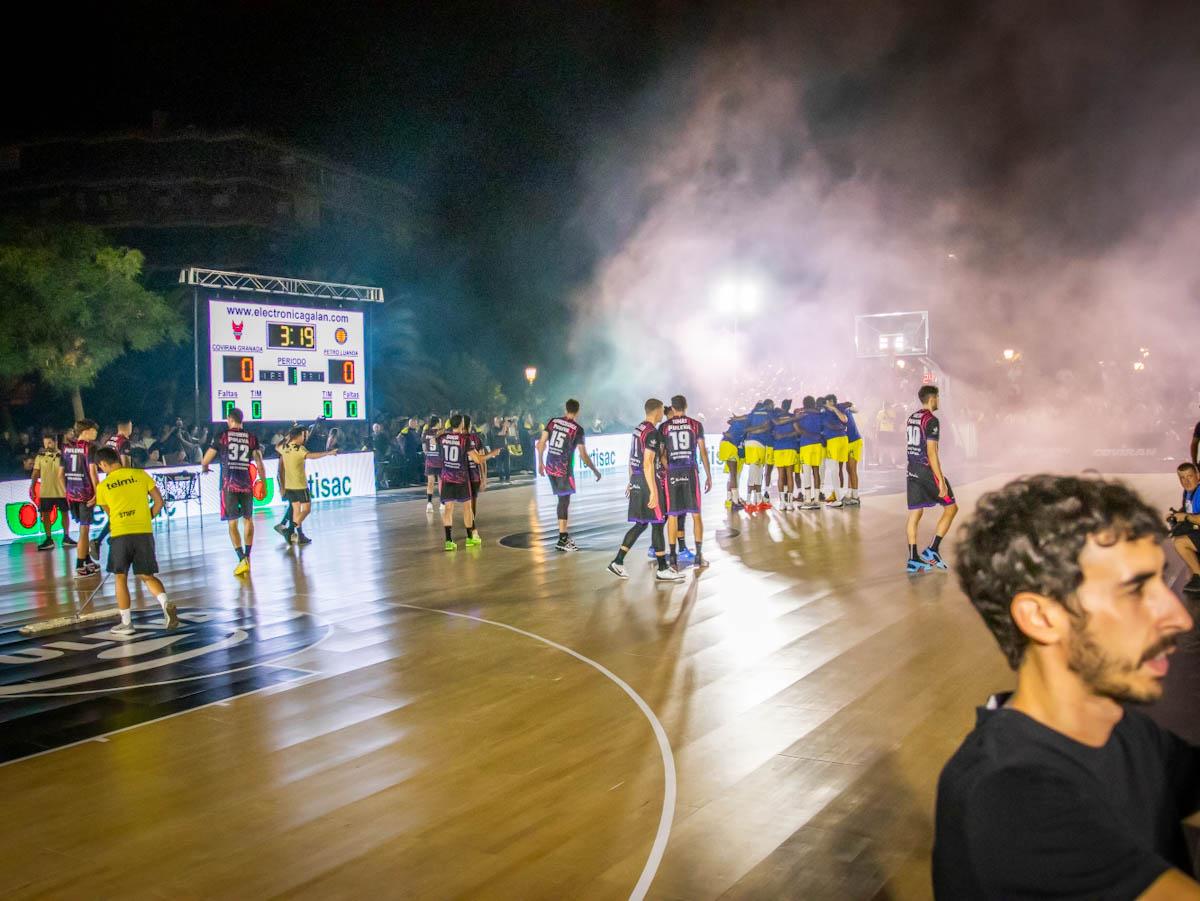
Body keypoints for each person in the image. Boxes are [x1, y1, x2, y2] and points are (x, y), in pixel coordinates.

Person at [934, 475, 1199, 899]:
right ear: (1041, 618)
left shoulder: (1125, 730)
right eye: (1135, 590)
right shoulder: (1011, 797)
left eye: (1161, 582)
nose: (1181, 618)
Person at [93, 446, 177, 635]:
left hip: (121, 534)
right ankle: (165, 603)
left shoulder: (103, 486)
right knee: (146, 575)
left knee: (120, 577)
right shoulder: (140, 475)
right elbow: (159, 502)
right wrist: (148, 517)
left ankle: (126, 623)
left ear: (103, 464)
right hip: (143, 532)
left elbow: (110, 515)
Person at [607, 398, 683, 581]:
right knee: (658, 522)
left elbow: (632, 458)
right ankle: (662, 568)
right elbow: (648, 463)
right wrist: (654, 491)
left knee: (641, 523)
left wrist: (630, 480)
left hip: (637, 479)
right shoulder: (652, 433)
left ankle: (618, 561)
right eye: (660, 411)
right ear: (657, 411)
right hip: (648, 481)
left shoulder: (638, 429)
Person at [201, 407, 265, 577]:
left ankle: (241, 558)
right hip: (246, 484)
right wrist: (263, 483)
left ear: (229, 419)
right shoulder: (251, 438)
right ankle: (248, 557)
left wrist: (205, 467)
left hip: (228, 485)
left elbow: (205, 459)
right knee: (248, 520)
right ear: (242, 420)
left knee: (232, 523)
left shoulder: (222, 437)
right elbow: (259, 463)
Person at [537, 399, 601, 552]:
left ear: (565, 409)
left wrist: (540, 462)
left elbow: (541, 442)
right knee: (564, 501)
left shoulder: (553, 422)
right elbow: (583, 454)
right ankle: (562, 538)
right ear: (578, 411)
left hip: (550, 465)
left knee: (562, 500)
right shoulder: (577, 429)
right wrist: (594, 470)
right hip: (563, 469)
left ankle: (563, 536)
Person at [905, 385, 957, 574]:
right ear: (932, 398)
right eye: (938, 398)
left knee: (915, 514)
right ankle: (932, 550)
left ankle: (913, 558)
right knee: (951, 508)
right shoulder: (932, 420)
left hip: (912, 470)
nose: (939, 401)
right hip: (927, 471)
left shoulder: (912, 417)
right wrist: (940, 479)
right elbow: (931, 452)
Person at [660, 395, 712, 568]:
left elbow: (661, 455)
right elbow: (703, 452)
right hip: (690, 472)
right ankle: (699, 556)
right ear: (686, 406)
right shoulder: (696, 425)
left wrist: (668, 469)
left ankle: (673, 557)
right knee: (696, 514)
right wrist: (709, 475)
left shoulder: (665, 426)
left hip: (673, 472)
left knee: (673, 515)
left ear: (672, 409)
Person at [278, 426, 338, 545]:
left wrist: (287, 436)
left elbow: (277, 446)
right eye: (304, 435)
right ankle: (290, 530)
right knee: (306, 510)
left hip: (289, 485)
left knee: (296, 511)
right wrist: (329, 453)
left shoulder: (284, 447)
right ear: (299, 435)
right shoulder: (300, 449)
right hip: (300, 485)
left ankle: (296, 534)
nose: (305, 437)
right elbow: (312, 456)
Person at [63, 419, 101, 578]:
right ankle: (80, 564)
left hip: (72, 494)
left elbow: (60, 474)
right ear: (86, 431)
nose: (96, 433)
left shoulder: (66, 448)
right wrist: (97, 492)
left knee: (82, 528)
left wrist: (67, 491)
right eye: (94, 430)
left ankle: (86, 559)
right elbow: (93, 472)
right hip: (86, 494)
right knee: (84, 530)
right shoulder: (89, 448)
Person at [439, 414, 482, 550]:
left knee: (448, 509)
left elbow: (435, 441)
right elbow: (476, 459)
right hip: (461, 478)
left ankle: (448, 541)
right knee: (467, 508)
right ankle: (470, 538)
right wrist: (489, 455)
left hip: (446, 477)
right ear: (462, 424)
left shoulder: (443, 437)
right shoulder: (465, 439)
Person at [93, 419, 133, 553]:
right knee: (120, 512)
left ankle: (110, 537)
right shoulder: (124, 442)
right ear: (128, 427)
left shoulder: (110, 439)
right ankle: (103, 539)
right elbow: (125, 463)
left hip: (109, 478)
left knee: (115, 512)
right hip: (120, 481)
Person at [30, 430, 72, 550]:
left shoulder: (63, 455)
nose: (47, 446)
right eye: (45, 443)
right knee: (46, 515)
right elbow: (35, 472)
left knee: (65, 513)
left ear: (55, 442)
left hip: (61, 491)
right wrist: (32, 486)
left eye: (49, 443)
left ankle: (66, 537)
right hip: (46, 491)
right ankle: (48, 539)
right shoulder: (40, 457)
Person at [1168, 462, 1200, 595]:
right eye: (1182, 478)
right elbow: (1188, 510)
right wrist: (1176, 515)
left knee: (1180, 542)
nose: (1186, 481)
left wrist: (1185, 517)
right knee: (1178, 537)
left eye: (1189, 476)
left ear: (1198, 476)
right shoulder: (1188, 493)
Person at [742, 400, 773, 512]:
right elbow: (767, 428)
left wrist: (756, 429)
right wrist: (761, 428)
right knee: (754, 474)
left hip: (750, 444)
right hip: (759, 444)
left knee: (757, 473)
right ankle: (749, 502)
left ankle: (759, 502)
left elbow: (745, 429)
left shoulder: (752, 413)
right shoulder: (769, 413)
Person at [770, 400, 801, 511]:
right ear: (789, 407)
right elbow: (798, 431)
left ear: (782, 406)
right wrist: (787, 435)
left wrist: (780, 436)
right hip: (790, 447)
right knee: (789, 475)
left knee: (781, 476)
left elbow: (772, 432)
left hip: (778, 448)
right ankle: (790, 503)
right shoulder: (792, 417)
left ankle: (782, 503)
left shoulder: (775, 417)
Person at [796, 396, 825, 510]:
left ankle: (808, 500)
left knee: (806, 472)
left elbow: (798, 430)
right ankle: (817, 499)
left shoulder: (802, 415)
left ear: (804, 404)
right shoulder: (819, 415)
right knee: (816, 471)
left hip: (806, 445)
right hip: (817, 445)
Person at [820, 394, 849, 507]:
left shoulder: (830, 410)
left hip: (835, 440)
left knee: (834, 469)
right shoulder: (828, 410)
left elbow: (844, 420)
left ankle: (838, 499)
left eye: (826, 402)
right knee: (837, 468)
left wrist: (834, 409)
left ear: (830, 401)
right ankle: (840, 495)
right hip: (842, 439)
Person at [718, 411, 749, 511]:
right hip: (730, 445)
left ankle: (729, 500)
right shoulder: (745, 425)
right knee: (733, 476)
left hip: (726, 445)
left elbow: (729, 421)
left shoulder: (739, 424)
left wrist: (735, 419)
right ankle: (735, 502)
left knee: (732, 476)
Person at [838, 398, 863, 505]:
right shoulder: (839, 410)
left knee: (852, 468)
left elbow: (856, 409)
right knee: (848, 468)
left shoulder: (841, 408)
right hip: (847, 442)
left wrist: (850, 404)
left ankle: (856, 497)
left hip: (854, 441)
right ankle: (849, 493)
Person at [422, 414, 442, 513]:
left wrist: (429, 454)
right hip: (440, 461)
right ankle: (442, 503)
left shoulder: (426, 432)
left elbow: (424, 448)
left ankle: (429, 503)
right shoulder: (441, 433)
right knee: (441, 482)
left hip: (430, 460)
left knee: (430, 482)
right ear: (437, 423)